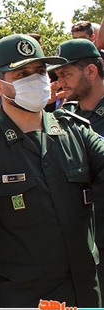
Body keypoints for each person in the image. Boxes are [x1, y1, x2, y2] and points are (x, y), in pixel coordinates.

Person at [0, 33, 104, 307]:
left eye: (40, 71)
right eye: (22, 74)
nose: (36, 79)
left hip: (84, 298)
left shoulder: (76, 132)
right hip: (23, 304)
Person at [51, 38, 104, 292]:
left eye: (66, 74)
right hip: (79, 242)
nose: (60, 82)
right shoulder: (64, 117)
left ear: (91, 71)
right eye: (58, 76)